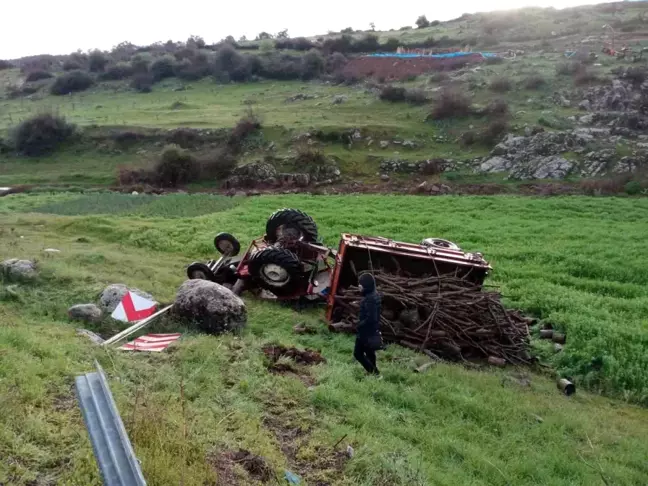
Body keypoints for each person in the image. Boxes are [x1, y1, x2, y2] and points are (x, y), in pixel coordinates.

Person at [353, 273, 382, 376]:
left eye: (360, 284)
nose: (358, 286)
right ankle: (373, 373)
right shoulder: (374, 295)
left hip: (365, 331)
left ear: (365, 285)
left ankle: (375, 373)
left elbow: (371, 318)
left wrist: (359, 325)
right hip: (371, 330)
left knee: (358, 354)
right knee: (370, 352)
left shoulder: (370, 299)